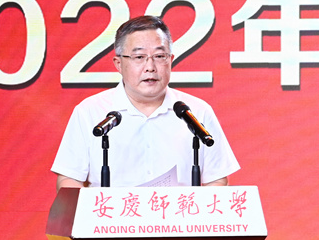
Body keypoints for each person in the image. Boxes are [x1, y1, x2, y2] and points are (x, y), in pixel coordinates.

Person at [52, 15, 239, 190]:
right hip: (112, 215)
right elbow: (69, 179)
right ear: (118, 64)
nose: (150, 67)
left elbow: (217, 178)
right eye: (139, 57)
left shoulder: (197, 112)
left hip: (179, 215)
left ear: (171, 60)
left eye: (159, 56)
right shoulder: (90, 112)